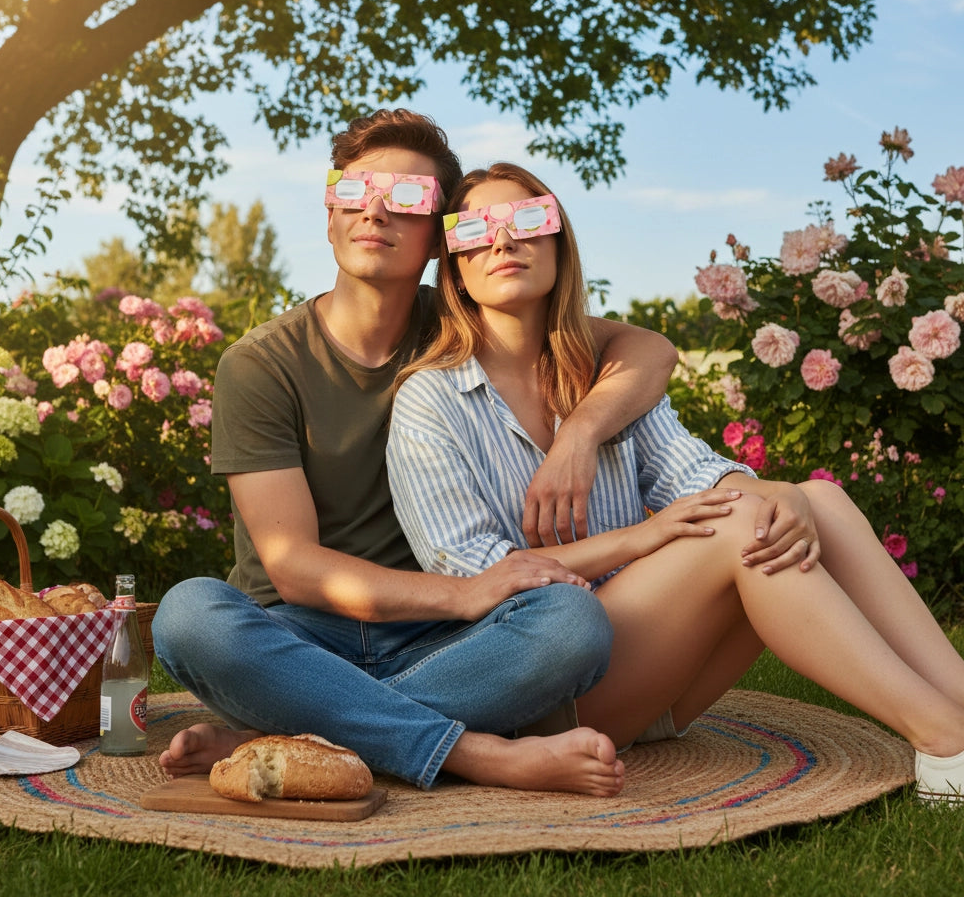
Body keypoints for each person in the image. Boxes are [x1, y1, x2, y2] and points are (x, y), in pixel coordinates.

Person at [386, 161, 964, 805]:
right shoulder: (430, 401)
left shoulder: (605, 381)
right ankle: (945, 741)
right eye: (475, 230)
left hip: (659, 671)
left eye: (526, 219)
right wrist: (644, 538)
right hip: (546, 688)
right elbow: (478, 583)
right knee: (746, 523)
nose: (502, 241)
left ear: (558, 241)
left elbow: (693, 475)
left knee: (818, 501)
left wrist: (784, 493)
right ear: (455, 265)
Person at [152, 109, 681, 796]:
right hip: (299, 640)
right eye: (355, 190)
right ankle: (478, 755)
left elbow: (647, 349)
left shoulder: (469, 321)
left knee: (573, 621)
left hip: (450, 643)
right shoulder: (262, 363)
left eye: (407, 199)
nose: (375, 211)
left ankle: (289, 735)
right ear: (330, 209)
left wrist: (579, 433)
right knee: (189, 614)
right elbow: (295, 570)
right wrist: (466, 593)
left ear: (439, 236)